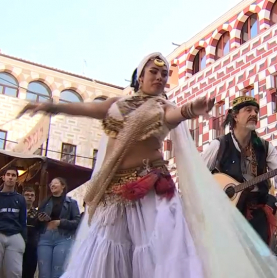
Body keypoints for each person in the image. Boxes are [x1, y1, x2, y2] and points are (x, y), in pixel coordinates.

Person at [18, 53, 214, 278]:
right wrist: (49, 107)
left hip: (149, 191)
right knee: (106, 253)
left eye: (164, 74)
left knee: (156, 253)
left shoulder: (162, 107)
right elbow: (84, 108)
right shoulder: (116, 104)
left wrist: (192, 109)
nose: (160, 77)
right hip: (114, 194)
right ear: (140, 77)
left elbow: (176, 114)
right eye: (153, 72)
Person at [201, 96, 277, 246]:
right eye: (248, 110)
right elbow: (197, 175)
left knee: (259, 261)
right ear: (235, 116)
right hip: (226, 216)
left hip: (256, 215)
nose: (254, 114)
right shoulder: (219, 145)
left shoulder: (265, 147)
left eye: (256, 111)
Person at [37, 178, 80, 278]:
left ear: (63, 186)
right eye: (51, 184)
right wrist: (40, 219)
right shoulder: (45, 202)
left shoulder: (71, 203)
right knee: (44, 272)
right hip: (45, 238)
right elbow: (37, 222)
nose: (52, 185)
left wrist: (60, 222)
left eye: (55, 183)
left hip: (63, 238)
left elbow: (77, 222)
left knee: (58, 271)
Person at [0, 167, 27, 278]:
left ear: (17, 179)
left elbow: (23, 221)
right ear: (3, 177)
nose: (10, 177)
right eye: (8, 175)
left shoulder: (20, 199)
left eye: (13, 175)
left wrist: (24, 239)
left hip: (15, 235)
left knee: (14, 273)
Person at [22, 186, 39, 278]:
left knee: (29, 272)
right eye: (27, 195)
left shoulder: (38, 214)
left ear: (35, 198)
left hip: (32, 247)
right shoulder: (18, 212)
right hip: (18, 244)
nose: (29, 197)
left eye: (32, 195)